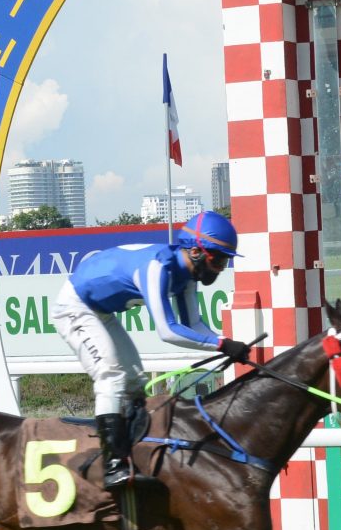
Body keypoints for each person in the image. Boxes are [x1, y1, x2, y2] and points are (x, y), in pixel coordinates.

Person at [50, 210, 253, 490]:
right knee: (112, 376)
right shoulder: (158, 268)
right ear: (196, 251)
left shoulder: (186, 276)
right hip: (74, 307)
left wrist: (228, 343)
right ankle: (113, 465)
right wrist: (221, 344)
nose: (220, 269)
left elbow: (193, 324)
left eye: (224, 262)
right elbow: (168, 331)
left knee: (135, 380)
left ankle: (133, 451)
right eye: (218, 260)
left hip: (100, 311)